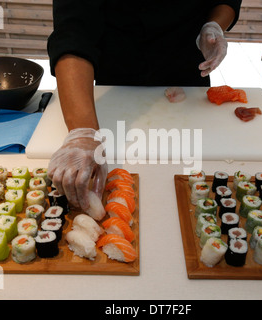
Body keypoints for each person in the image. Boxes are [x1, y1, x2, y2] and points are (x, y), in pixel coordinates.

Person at [46, 1, 242, 211]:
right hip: (117, 67)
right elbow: (74, 28)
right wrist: (83, 133)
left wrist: (213, 25)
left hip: (187, 71)